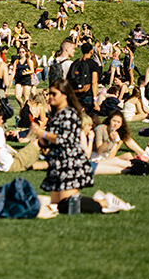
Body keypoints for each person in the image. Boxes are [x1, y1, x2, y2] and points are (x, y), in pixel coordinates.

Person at [30, 80, 130, 213]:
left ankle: (106, 202)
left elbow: (65, 139)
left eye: (54, 94)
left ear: (64, 95)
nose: (50, 97)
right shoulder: (57, 114)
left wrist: (42, 133)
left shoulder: (69, 114)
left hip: (70, 163)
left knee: (69, 204)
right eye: (49, 93)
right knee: (57, 204)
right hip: (58, 162)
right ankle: (103, 201)